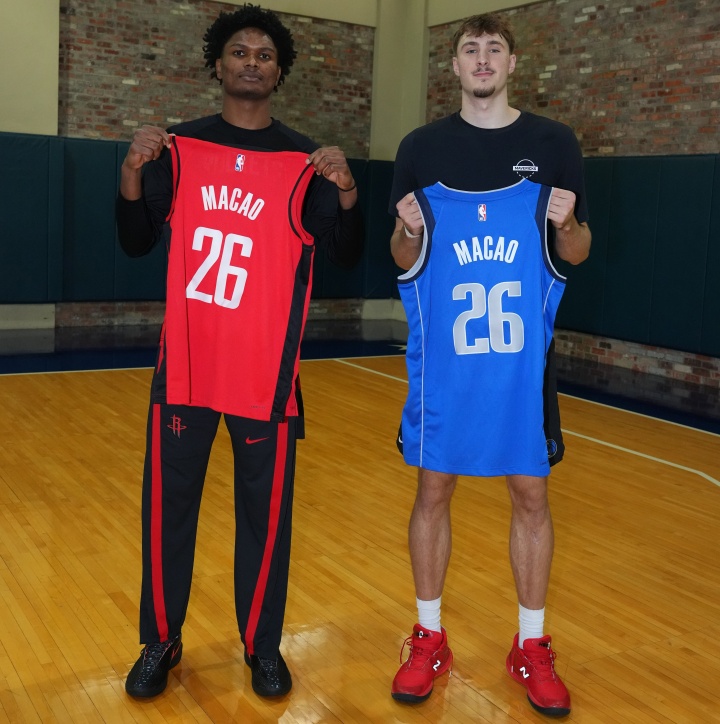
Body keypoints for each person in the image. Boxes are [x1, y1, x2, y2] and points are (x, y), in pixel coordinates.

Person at [115, 4, 363, 700]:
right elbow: (135, 240)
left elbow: (345, 254)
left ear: (278, 71)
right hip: (187, 370)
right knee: (167, 513)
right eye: (239, 52)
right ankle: (160, 641)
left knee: (266, 523)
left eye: (264, 54)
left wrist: (346, 189)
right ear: (217, 64)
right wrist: (132, 170)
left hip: (265, 377)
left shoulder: (303, 163)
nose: (251, 62)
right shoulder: (180, 150)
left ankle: (263, 646)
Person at [388, 13, 590, 718]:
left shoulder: (553, 145)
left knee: (531, 495)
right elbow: (401, 258)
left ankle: (531, 644)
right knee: (432, 489)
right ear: (453, 65)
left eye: (493, 49)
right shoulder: (421, 149)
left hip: (521, 371)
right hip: (446, 369)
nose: (482, 59)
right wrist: (407, 229)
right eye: (470, 49)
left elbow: (577, 253)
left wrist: (567, 224)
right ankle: (428, 636)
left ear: (511, 63)